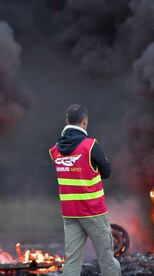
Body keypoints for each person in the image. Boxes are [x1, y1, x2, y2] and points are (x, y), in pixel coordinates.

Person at [49, 104, 121, 276]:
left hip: (70, 214)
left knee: (72, 261)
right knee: (107, 259)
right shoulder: (90, 146)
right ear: (85, 122)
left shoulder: (55, 150)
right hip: (93, 212)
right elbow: (107, 172)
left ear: (66, 121)